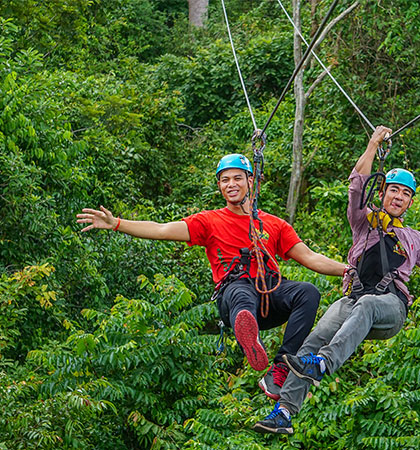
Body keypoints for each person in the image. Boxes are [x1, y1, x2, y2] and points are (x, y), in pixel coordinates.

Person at [252, 126, 420, 435]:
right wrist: (372, 145)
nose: (399, 197)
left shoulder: (416, 240)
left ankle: (323, 364)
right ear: (383, 193)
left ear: (410, 203)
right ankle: (285, 412)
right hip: (353, 300)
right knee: (313, 340)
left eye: (406, 194)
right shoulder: (363, 222)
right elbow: (357, 185)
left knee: (366, 307)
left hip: (390, 307)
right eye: (394, 190)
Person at [76, 152, 347, 400]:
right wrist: (117, 224)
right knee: (241, 291)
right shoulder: (209, 221)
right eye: (224, 180)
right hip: (234, 296)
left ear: (251, 181)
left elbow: (310, 258)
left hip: (269, 297)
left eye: (237, 178)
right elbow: (161, 230)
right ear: (219, 186)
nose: (231, 184)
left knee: (307, 292)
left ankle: (280, 366)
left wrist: (348, 270)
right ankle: (247, 332)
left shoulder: (274, 225)